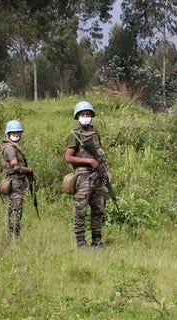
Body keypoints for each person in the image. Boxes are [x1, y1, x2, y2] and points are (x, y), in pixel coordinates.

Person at [64, 101, 109, 248]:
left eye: (88, 114)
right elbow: (68, 157)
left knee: (98, 209)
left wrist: (106, 172)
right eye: (83, 114)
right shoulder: (74, 135)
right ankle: (81, 243)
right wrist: (88, 161)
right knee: (80, 210)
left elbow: (100, 156)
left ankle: (97, 241)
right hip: (83, 176)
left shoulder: (95, 133)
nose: (86, 117)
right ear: (78, 116)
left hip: (97, 176)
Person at [0, 120, 33, 236]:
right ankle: (14, 235)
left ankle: (12, 232)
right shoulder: (10, 149)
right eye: (14, 133)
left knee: (13, 207)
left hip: (13, 180)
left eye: (18, 133)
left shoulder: (9, 147)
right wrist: (28, 170)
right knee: (16, 208)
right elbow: (16, 167)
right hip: (15, 180)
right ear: (8, 134)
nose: (16, 135)